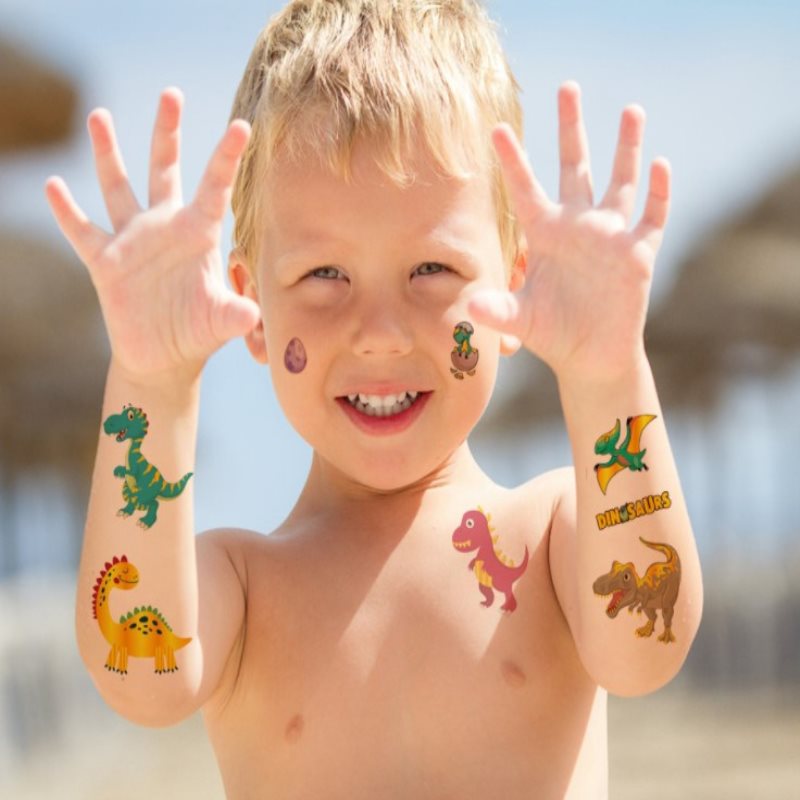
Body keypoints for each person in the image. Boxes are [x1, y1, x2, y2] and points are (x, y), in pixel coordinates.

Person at [44, 1, 703, 796]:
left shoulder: (556, 535)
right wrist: (152, 384)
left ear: (515, 282)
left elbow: (647, 649)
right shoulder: (244, 587)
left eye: (432, 269)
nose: (381, 335)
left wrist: (607, 376)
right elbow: (139, 684)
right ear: (254, 306)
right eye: (325, 275)